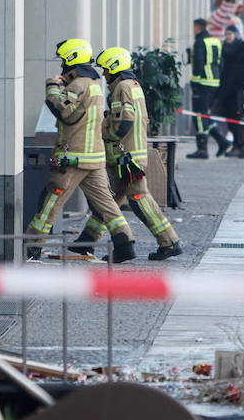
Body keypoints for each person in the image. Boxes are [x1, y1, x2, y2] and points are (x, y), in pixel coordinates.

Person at [62, 47, 183, 261]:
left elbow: (123, 121)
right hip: (127, 155)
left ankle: (169, 242)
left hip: (126, 157)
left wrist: (105, 135)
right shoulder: (131, 85)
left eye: (106, 70)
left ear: (115, 68)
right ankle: (86, 241)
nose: (104, 75)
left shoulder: (122, 88)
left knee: (139, 199)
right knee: (107, 200)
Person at [26, 39, 137, 263]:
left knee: (51, 200)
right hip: (94, 157)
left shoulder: (78, 85)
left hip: (73, 158)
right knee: (106, 203)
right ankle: (125, 245)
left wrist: (52, 86)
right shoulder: (94, 84)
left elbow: (65, 113)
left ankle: (32, 246)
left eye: (63, 61)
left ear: (71, 59)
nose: (61, 67)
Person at [187, 18, 231, 158]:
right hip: (214, 82)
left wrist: (195, 83)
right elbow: (222, 63)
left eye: (194, 27)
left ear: (198, 28)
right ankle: (221, 140)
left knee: (199, 116)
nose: (193, 30)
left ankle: (202, 149)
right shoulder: (215, 41)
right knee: (205, 114)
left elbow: (198, 64)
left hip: (202, 83)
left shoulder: (200, 42)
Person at [216, 20, 244, 157]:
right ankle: (241, 145)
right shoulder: (243, 46)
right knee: (241, 117)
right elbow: (233, 62)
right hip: (240, 89)